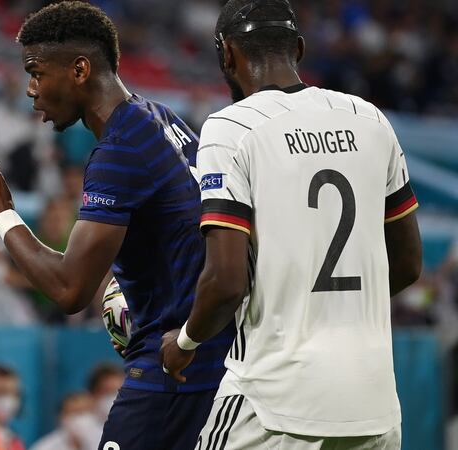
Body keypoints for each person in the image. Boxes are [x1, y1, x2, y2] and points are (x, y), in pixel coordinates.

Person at [0, 2, 235, 448]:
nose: (30, 89)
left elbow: (70, 289)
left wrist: (1, 215)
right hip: (213, 355)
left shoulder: (119, 151)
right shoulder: (162, 116)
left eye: (36, 72)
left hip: (172, 368)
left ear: (79, 69)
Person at [160, 1, 422, 449]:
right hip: (374, 405)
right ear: (299, 49)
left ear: (227, 55)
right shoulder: (370, 119)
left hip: (273, 405)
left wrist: (183, 342)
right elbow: (408, 264)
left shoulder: (231, 127)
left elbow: (225, 282)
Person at [32, 392, 101, 450]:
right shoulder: (44, 447)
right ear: (61, 417)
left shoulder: (107, 442)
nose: (81, 419)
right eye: (75, 413)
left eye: (85, 412)